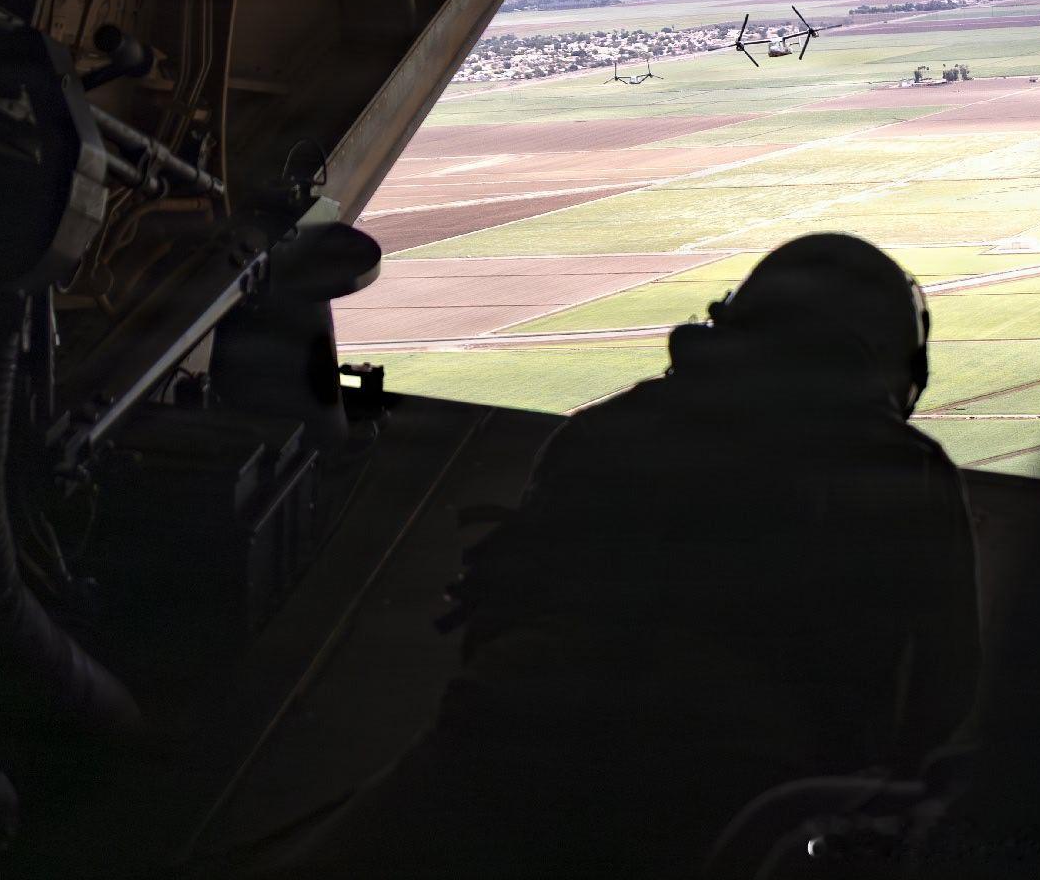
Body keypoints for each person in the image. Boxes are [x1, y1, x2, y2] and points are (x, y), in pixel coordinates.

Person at [272, 232, 980, 879]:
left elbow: (498, 610)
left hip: (503, 741)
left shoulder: (609, 425)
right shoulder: (909, 470)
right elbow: (941, 693)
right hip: (742, 792)